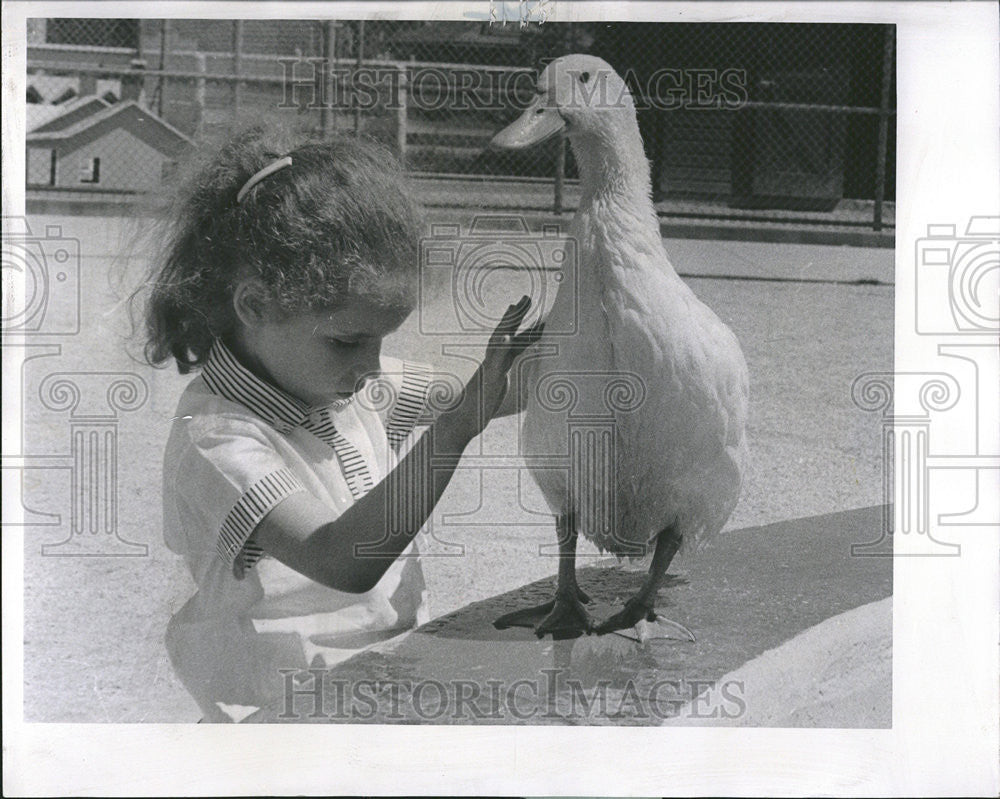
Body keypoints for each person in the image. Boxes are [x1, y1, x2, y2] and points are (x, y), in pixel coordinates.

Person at [143, 127, 541, 722]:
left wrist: (583, 331)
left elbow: (503, 392)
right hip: (275, 710)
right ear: (255, 306)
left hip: (378, 678)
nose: (371, 366)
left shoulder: (348, 386)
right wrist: (455, 429)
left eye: (381, 340)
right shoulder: (220, 439)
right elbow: (343, 561)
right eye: (347, 340)